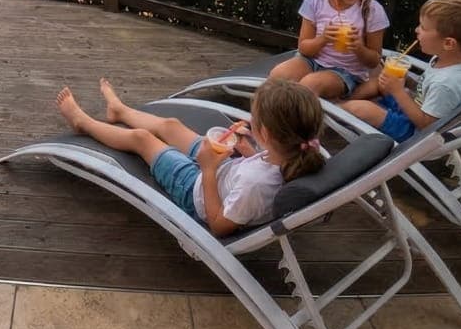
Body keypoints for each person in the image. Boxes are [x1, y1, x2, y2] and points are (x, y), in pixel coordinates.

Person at [53, 77, 325, 236]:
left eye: (254, 119)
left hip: (196, 191)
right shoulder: (289, 153)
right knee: (171, 125)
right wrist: (248, 152)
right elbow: (261, 170)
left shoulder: (255, 186)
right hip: (225, 172)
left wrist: (207, 170)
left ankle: (83, 123)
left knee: (142, 139)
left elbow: (218, 225)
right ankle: (120, 111)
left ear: (265, 132)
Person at [341, 0, 461, 142]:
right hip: (415, 109)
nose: (417, 30)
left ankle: (333, 110)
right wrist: (408, 81)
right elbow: (426, 91)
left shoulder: (446, 84)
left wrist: (398, 91)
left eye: (423, 27)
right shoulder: (453, 59)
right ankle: (342, 105)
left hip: (414, 132)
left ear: (448, 43)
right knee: (379, 82)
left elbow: (427, 125)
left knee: (362, 109)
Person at [269, 0, 390, 100]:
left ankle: (298, 116)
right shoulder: (315, 2)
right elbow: (304, 48)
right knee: (278, 75)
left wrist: (358, 48)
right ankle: (265, 115)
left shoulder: (371, 10)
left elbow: (374, 61)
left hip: (346, 72)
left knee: (310, 84)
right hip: (311, 61)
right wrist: (323, 39)